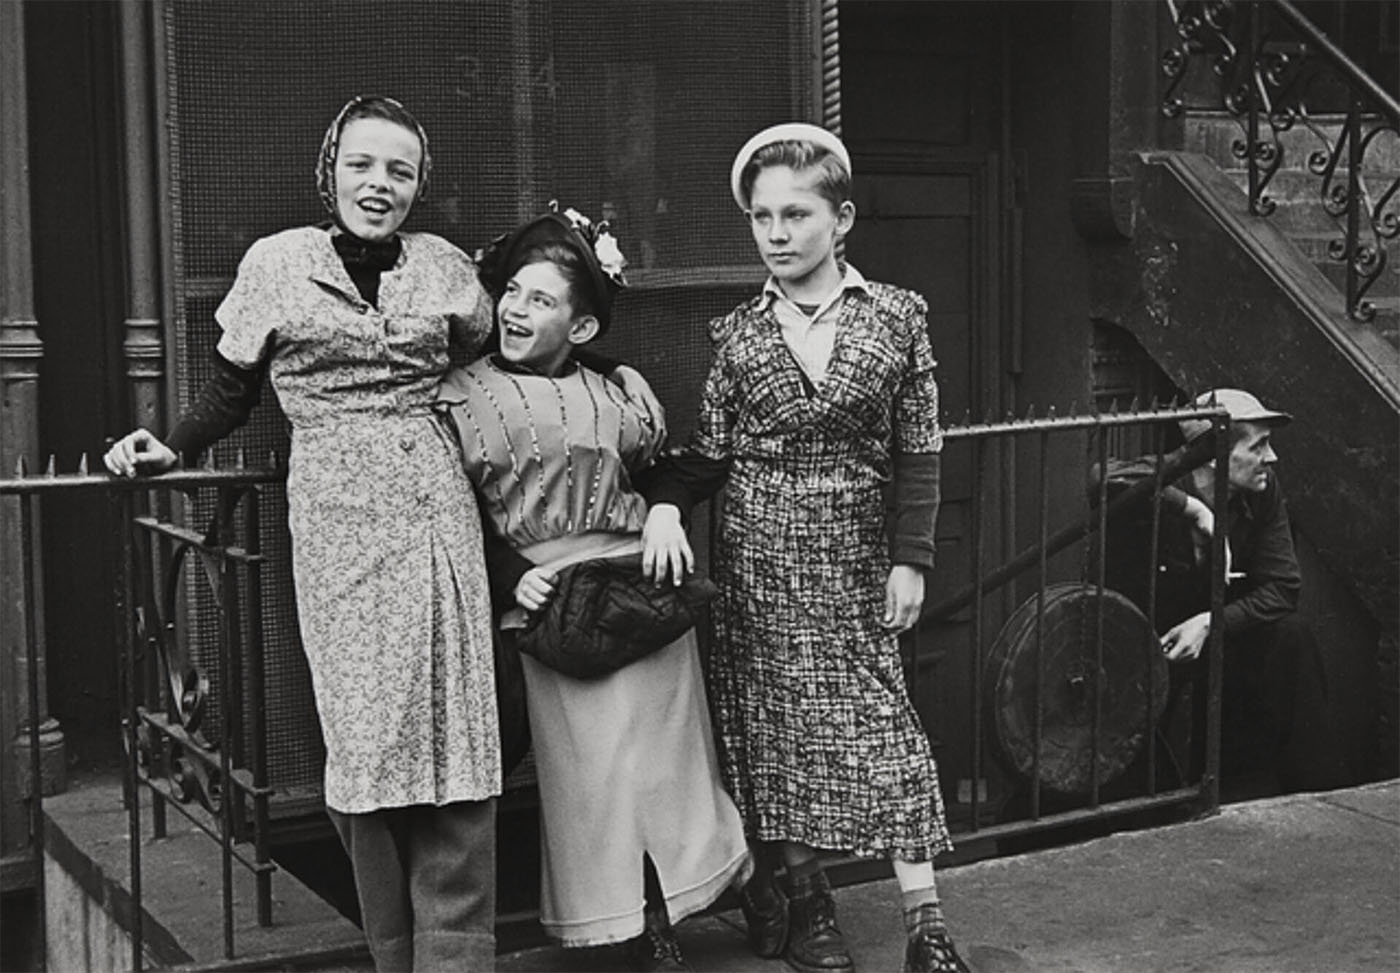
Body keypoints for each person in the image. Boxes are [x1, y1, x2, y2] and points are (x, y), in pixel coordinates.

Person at [101, 96, 658, 972]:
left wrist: (601, 382)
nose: (380, 184)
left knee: (459, 737)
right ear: (330, 171)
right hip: (338, 524)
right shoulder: (277, 264)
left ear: (417, 186)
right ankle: (393, 950)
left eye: (399, 171)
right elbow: (230, 389)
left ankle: (457, 954)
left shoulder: (442, 270)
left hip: (441, 515)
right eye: (362, 164)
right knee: (367, 744)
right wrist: (168, 444)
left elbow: (509, 348)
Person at [640, 123, 969, 973]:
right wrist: (669, 506)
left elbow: (920, 449)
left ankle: (925, 924)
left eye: (796, 213)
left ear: (842, 217)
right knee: (773, 732)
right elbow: (708, 456)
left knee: (884, 730)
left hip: (858, 561)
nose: (777, 233)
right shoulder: (737, 336)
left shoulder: (897, 316)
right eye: (761, 217)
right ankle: (808, 898)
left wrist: (912, 557)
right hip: (759, 561)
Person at [436, 205, 750, 972]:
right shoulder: (458, 396)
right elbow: (452, 517)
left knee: (673, 769)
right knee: (594, 781)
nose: (515, 309)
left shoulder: (620, 389)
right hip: (554, 608)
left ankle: (708, 896)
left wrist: (670, 506)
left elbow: (660, 468)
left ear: (580, 327)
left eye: (540, 301)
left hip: (642, 588)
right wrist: (514, 576)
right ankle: (626, 925)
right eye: (513, 292)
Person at [1094, 388, 1330, 795]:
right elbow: (1100, 477)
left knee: (1293, 636)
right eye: (1258, 446)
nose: (1270, 459)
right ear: (1215, 455)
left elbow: (1283, 587)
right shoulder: (1171, 480)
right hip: (1149, 640)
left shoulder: (1263, 487)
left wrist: (1210, 623)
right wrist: (1194, 509)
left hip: (1217, 631)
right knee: (1134, 770)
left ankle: (1304, 794)